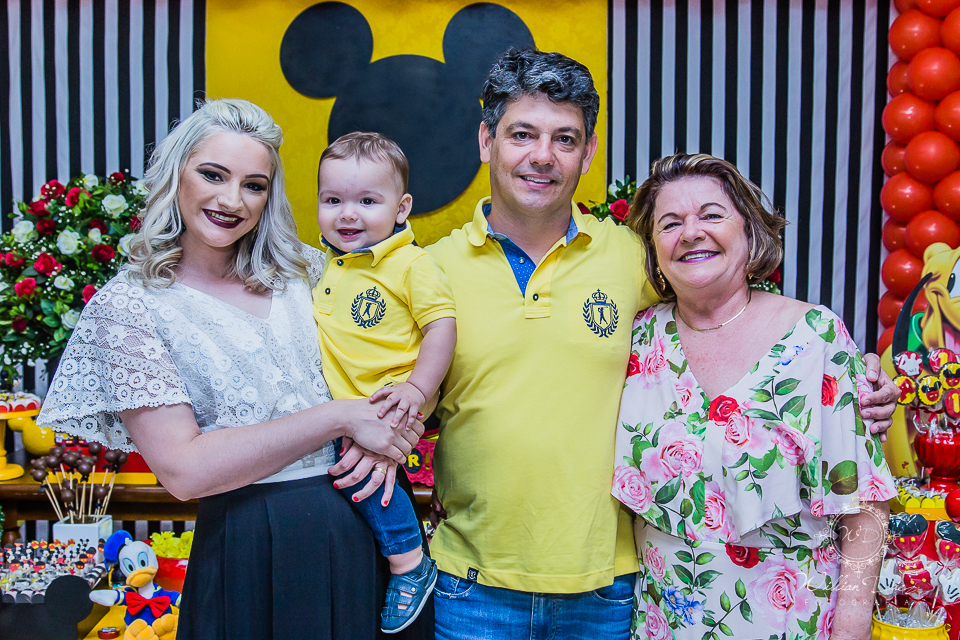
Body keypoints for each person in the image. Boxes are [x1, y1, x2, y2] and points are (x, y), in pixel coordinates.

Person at [425, 48, 898, 640]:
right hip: (494, 588)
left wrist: (861, 374)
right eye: (522, 134)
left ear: (588, 153)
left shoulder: (638, 260)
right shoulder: (431, 271)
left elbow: (730, 303)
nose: (542, 156)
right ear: (486, 140)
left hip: (624, 594)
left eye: (565, 139)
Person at [36, 99, 427, 640]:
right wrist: (339, 417)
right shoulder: (128, 308)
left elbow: (405, 350)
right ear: (176, 173)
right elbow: (184, 472)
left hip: (371, 530)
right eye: (213, 175)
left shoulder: (308, 270)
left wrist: (396, 427)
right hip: (250, 546)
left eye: (254, 185)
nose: (231, 200)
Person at [614, 153, 895, 640]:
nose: (691, 232)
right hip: (662, 621)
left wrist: (852, 628)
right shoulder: (635, 339)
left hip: (791, 623)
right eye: (670, 223)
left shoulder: (815, 339)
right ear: (653, 248)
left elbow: (865, 505)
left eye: (711, 215)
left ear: (750, 232)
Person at [313, 132, 456, 633]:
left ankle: (410, 562)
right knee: (353, 478)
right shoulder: (327, 263)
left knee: (369, 478)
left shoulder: (410, 264)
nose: (347, 214)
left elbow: (441, 327)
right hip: (339, 409)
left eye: (367, 202)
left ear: (402, 208)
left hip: (385, 399)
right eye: (333, 200)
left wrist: (416, 390)